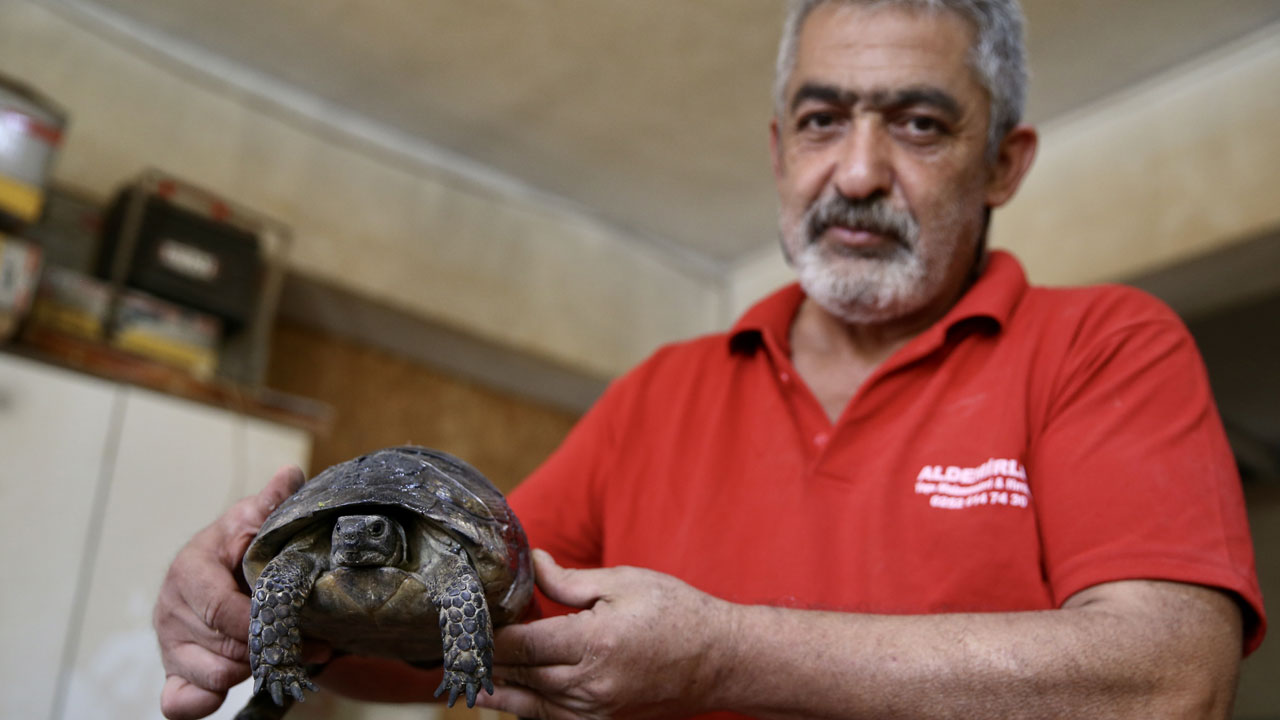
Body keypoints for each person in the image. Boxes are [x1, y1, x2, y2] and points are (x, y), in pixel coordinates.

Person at [154, 1, 1266, 718]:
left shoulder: (1104, 344)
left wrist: (726, 656)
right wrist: (269, 611)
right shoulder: (660, 390)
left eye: (919, 124)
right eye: (822, 119)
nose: (860, 171)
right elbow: (455, 630)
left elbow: (1167, 680)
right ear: (780, 150)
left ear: (1003, 163)